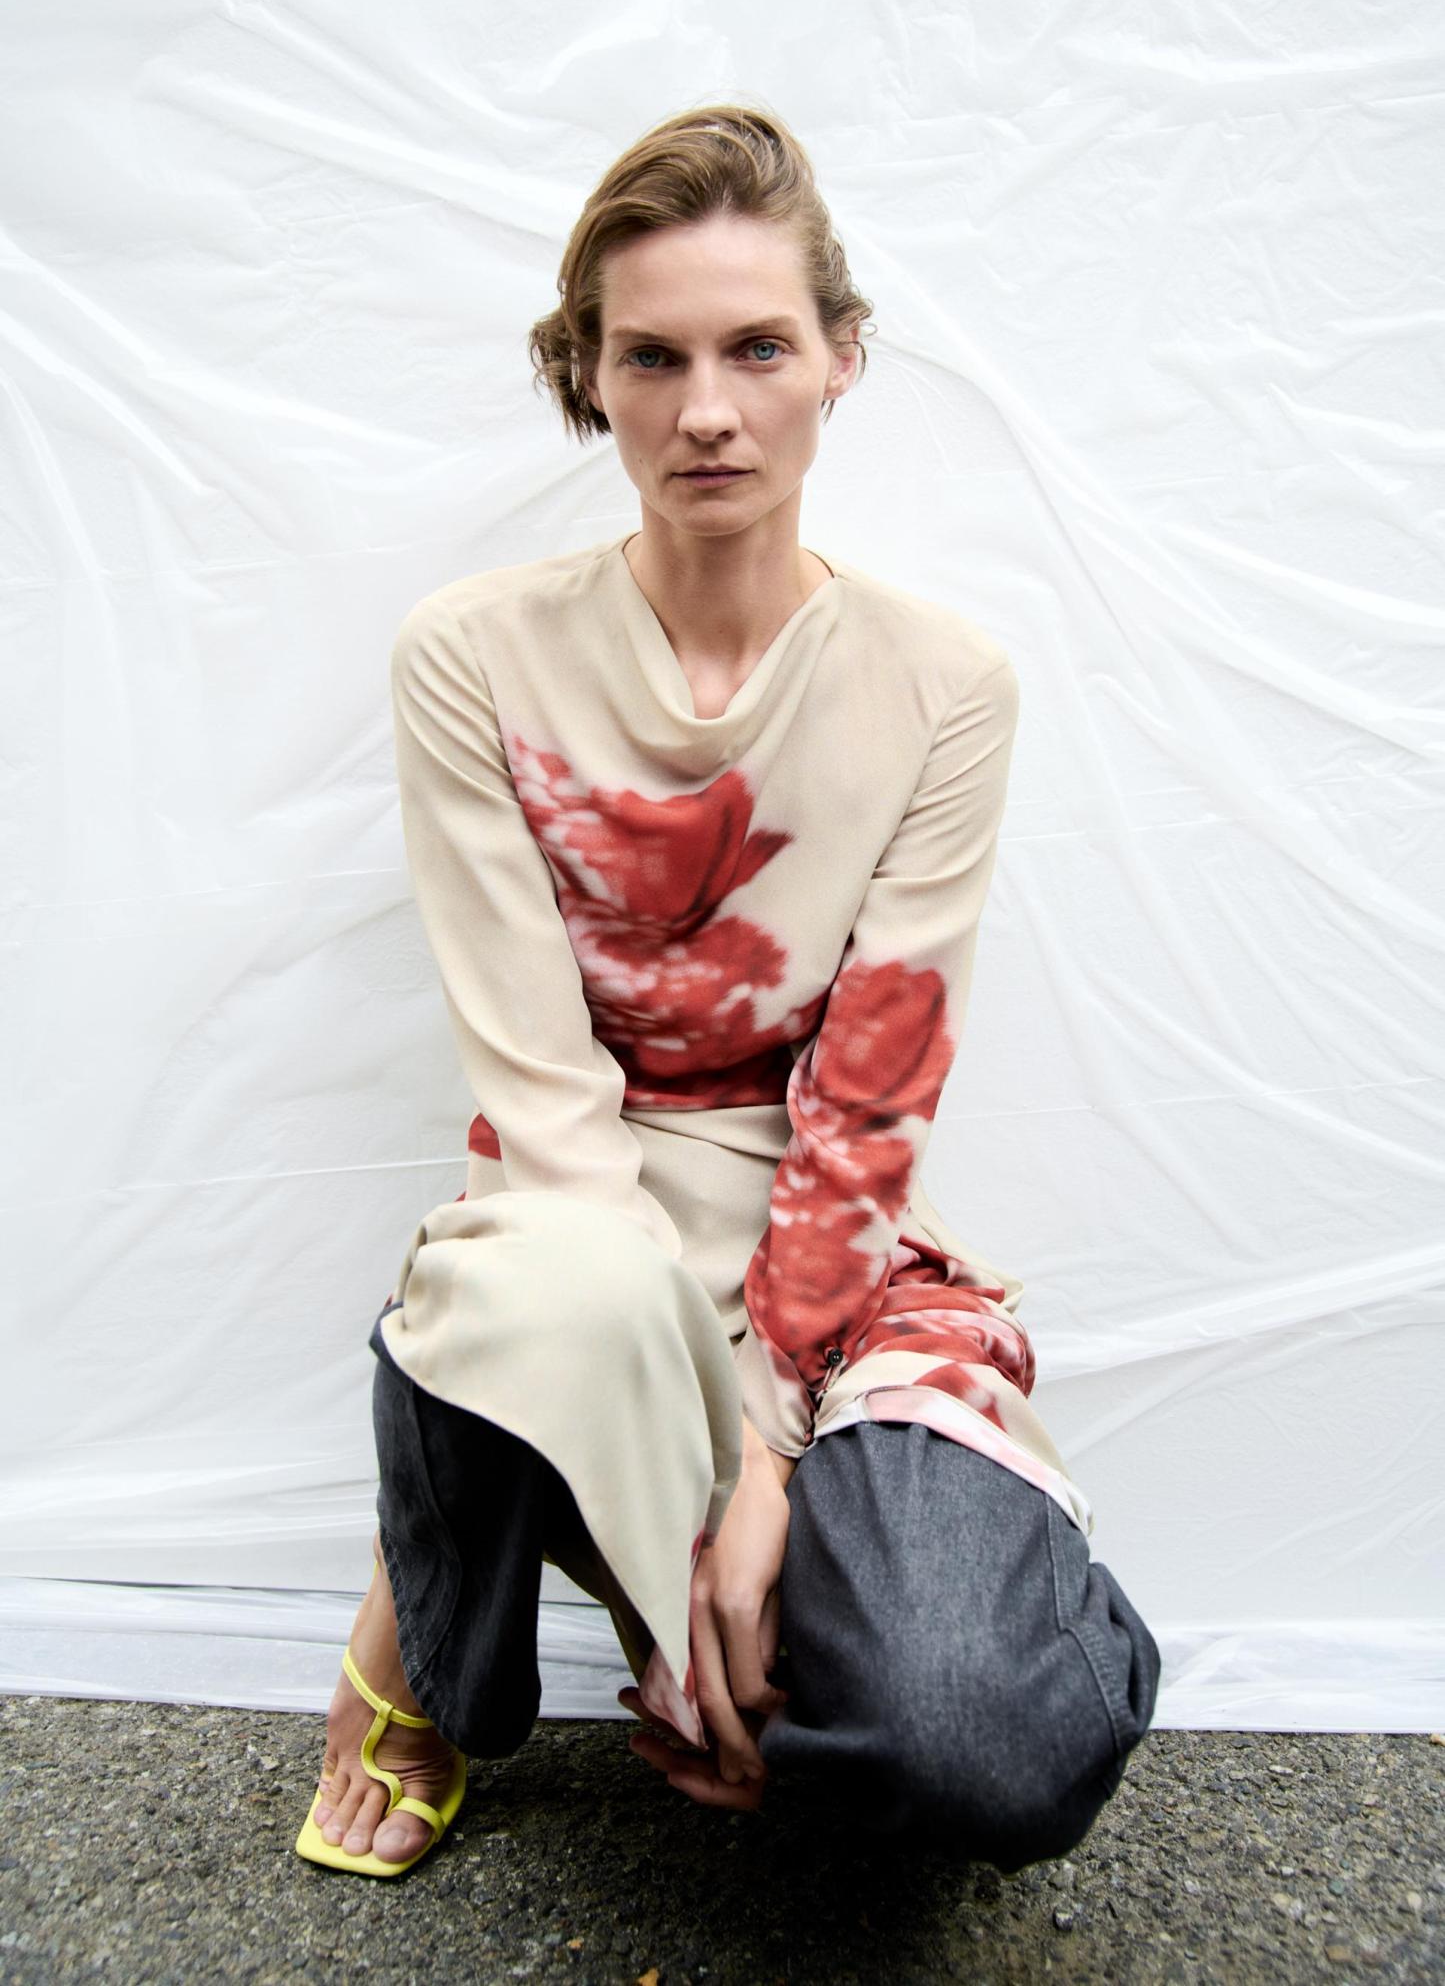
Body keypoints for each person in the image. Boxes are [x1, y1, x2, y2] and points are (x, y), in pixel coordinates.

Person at [295, 102, 1161, 1880]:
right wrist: (677, 1447)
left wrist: (760, 1462)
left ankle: (773, 1628)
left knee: (970, 1741)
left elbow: (870, 1093)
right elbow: (540, 1084)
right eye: (653, 357)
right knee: (549, 1288)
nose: (706, 410)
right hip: (579, 1226)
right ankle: (431, 1620)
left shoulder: (943, 682)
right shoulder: (474, 655)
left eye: (757, 348)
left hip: (831, 1244)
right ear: (585, 377)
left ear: (841, 358)